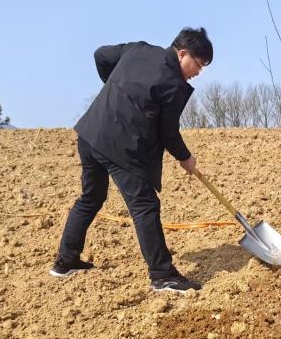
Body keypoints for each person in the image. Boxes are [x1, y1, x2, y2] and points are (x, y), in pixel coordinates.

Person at [50, 27, 213, 293]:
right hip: (120, 146)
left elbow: (100, 55)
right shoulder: (173, 84)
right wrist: (186, 158)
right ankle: (162, 275)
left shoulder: (138, 49)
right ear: (183, 54)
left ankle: (65, 261)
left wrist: (116, 92)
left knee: (91, 197)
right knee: (144, 206)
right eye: (198, 64)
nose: (198, 72)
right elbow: (168, 133)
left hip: (90, 133)